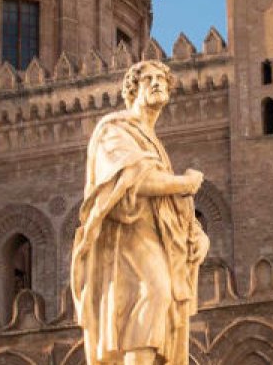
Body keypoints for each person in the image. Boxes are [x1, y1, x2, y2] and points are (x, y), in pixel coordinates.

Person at [71, 60, 209, 365]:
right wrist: (183, 183)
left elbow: (170, 208)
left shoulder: (155, 145)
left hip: (154, 236)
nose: (157, 82)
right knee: (153, 292)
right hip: (127, 236)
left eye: (161, 78)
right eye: (148, 79)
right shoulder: (114, 129)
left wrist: (198, 237)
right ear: (133, 90)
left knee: (161, 306)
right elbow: (131, 178)